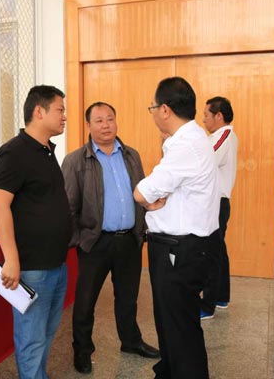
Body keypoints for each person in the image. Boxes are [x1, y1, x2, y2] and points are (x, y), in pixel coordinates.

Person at [61, 102, 160, 374]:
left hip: (129, 240)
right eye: (99, 120)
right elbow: (68, 207)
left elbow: (142, 194)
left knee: (128, 297)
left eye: (110, 119)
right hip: (95, 242)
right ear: (88, 125)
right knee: (86, 301)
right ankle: (82, 350)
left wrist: (142, 231)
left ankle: (131, 341)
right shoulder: (75, 161)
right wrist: (80, 240)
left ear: (116, 121)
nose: (105, 125)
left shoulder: (131, 155)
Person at [134, 77, 219, 379]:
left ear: (165, 110)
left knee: (180, 328)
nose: (153, 113)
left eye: (153, 108)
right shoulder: (188, 140)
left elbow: (142, 193)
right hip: (176, 247)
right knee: (170, 322)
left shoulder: (186, 145)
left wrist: (149, 201)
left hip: (179, 250)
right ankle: (168, 371)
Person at [0, 85, 72, 379]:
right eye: (60, 110)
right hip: (32, 267)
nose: (64, 116)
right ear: (39, 111)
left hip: (56, 263)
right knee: (31, 338)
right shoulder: (14, 152)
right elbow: (0, 205)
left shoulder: (46, 150)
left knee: (46, 333)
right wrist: (11, 259)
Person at [200, 96, 238, 320]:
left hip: (216, 203)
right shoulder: (219, 136)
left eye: (206, 115)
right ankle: (221, 297)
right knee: (219, 251)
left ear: (219, 116)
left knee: (211, 255)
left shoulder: (223, 135)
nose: (203, 119)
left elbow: (204, 160)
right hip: (217, 203)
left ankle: (207, 306)